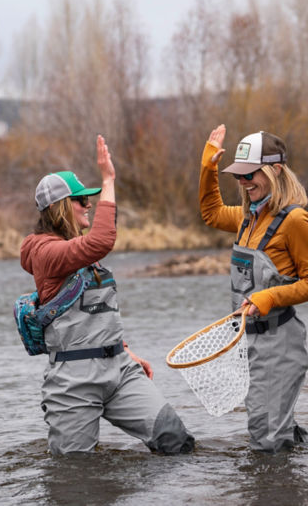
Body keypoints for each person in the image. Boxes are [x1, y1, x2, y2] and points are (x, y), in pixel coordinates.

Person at [20, 135, 195, 456]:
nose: (89, 205)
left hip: (120, 371)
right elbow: (102, 240)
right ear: (60, 208)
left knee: (176, 442)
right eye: (81, 200)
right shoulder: (47, 252)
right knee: (76, 475)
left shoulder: (78, 250)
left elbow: (95, 312)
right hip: (74, 382)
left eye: (91, 199)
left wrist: (124, 351)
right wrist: (109, 179)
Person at [199, 124, 308, 452]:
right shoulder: (247, 217)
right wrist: (208, 168)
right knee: (268, 428)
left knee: (266, 436)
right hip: (251, 341)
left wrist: (268, 296)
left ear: (276, 170)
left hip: (280, 342)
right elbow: (211, 213)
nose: (242, 182)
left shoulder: (296, 221)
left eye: (250, 174)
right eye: (238, 176)